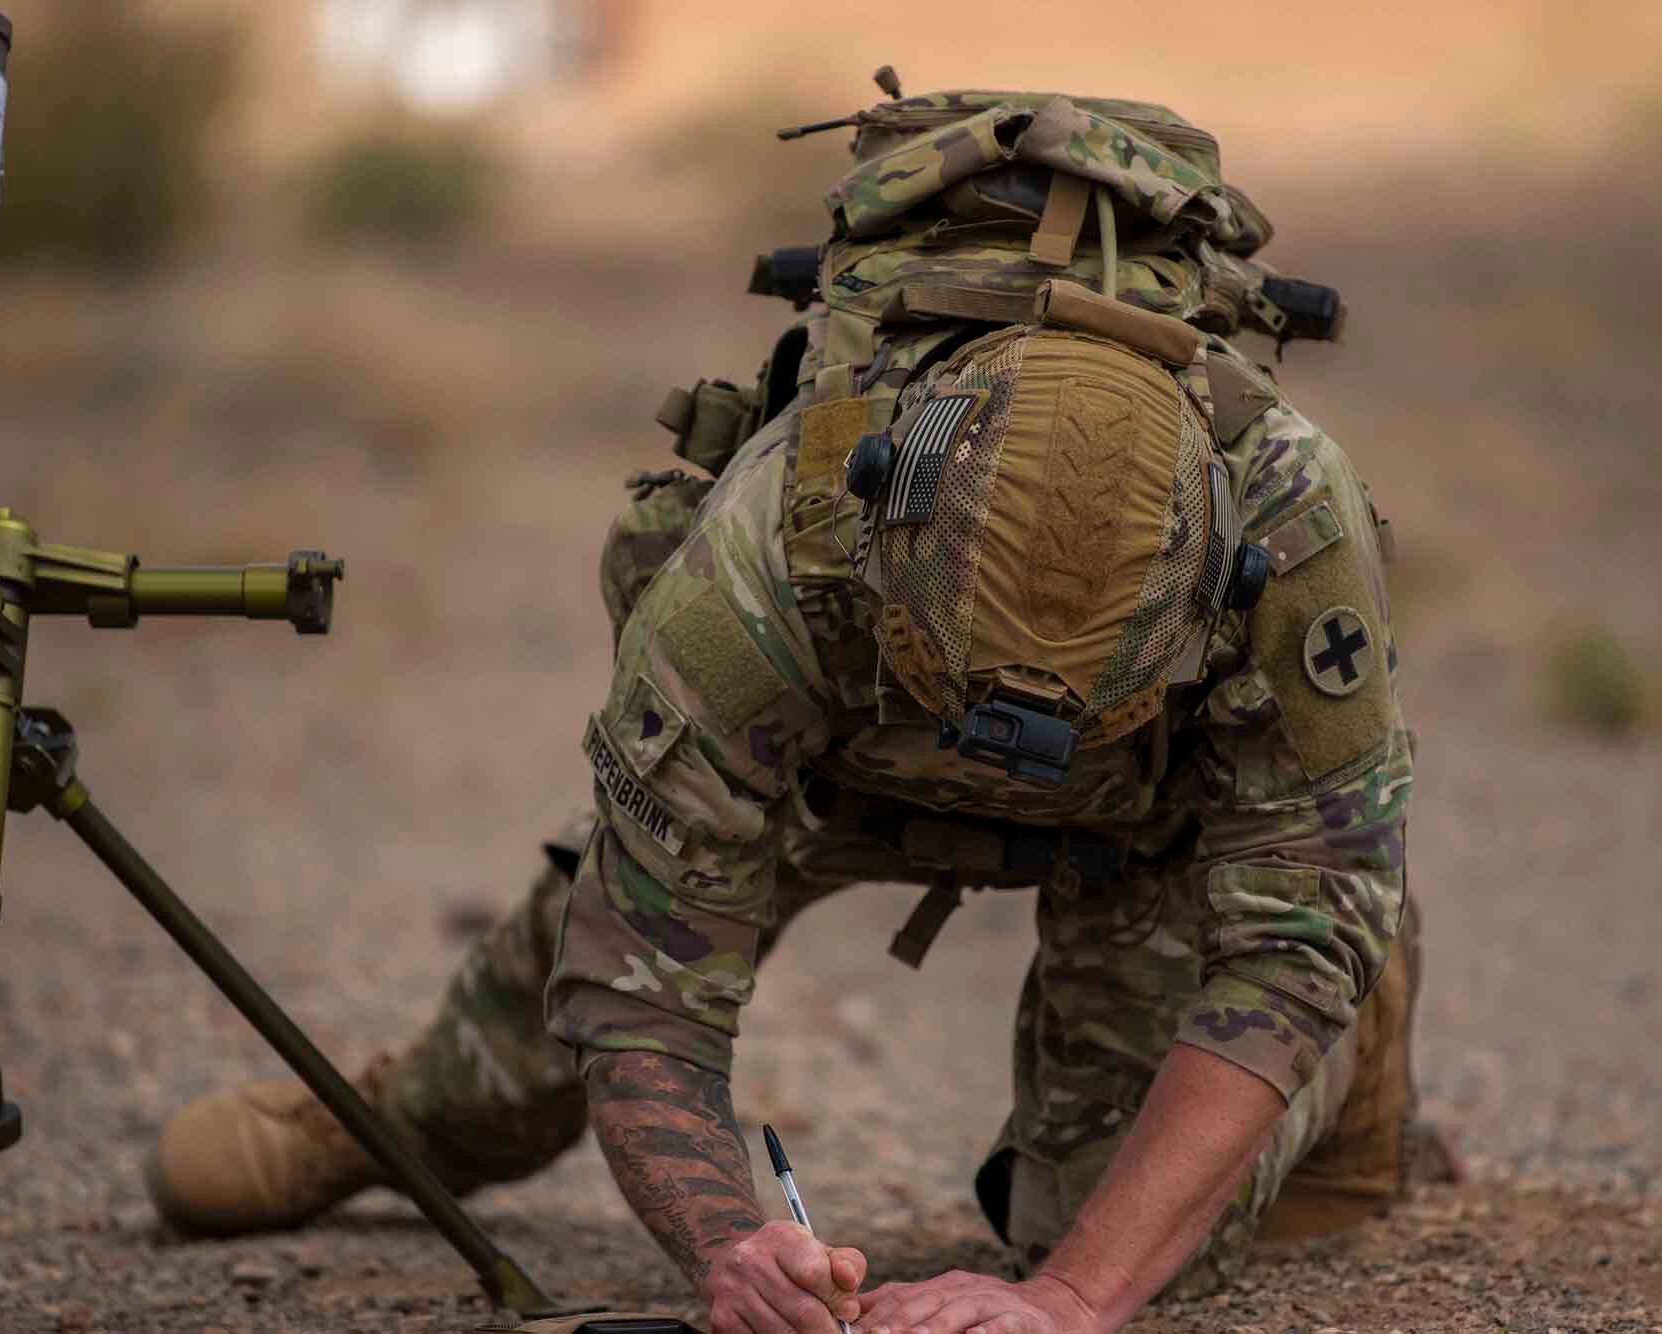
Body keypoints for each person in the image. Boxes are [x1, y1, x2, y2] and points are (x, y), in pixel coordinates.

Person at [147, 85, 1417, 1334]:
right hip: (827, 774)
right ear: (886, 537)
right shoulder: (765, 556)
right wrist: (725, 1245)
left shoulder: (1287, 513)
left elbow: (1293, 936)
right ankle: (400, 1119)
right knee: (552, 1014)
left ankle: (1357, 1059)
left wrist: (1072, 1292)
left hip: (1149, 830)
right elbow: (642, 988)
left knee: (1138, 1230)